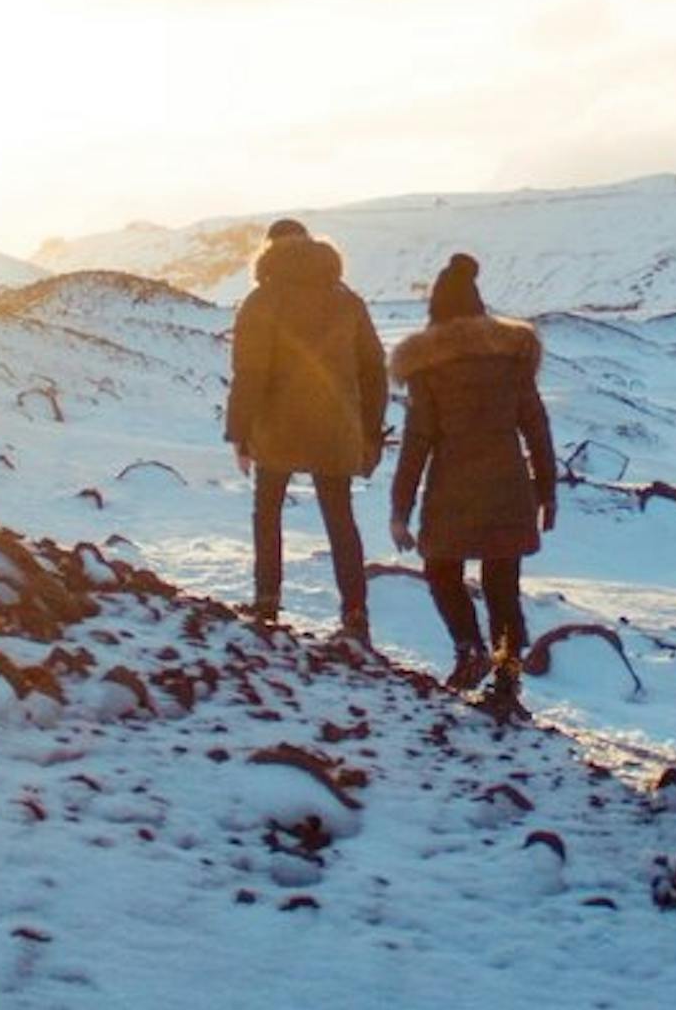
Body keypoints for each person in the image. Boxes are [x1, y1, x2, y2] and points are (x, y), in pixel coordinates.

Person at [388, 253, 557, 717]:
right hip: (509, 486)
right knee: (503, 586)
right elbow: (537, 428)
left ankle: (469, 648)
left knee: (442, 572)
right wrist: (547, 490)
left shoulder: (429, 367)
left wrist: (400, 510)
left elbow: (417, 444)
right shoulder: (512, 357)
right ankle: (506, 682)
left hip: (453, 489)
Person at [228, 216, 389, 639]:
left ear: (269, 250)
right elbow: (374, 370)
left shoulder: (261, 300)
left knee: (268, 513)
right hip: (336, 429)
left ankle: (267, 603)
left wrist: (240, 434)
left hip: (276, 428)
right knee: (340, 519)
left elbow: (250, 372)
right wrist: (370, 431)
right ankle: (355, 614)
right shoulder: (346, 299)